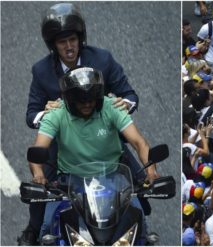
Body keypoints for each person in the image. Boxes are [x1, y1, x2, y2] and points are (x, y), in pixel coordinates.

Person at [21, 4, 142, 245]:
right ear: (53, 46)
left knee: (142, 196)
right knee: (42, 205)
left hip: (105, 140)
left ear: (80, 39)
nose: (69, 46)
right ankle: (33, 232)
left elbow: (130, 95)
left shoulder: (103, 60)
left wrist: (121, 105)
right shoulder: (42, 71)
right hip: (64, 145)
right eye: (62, 42)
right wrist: (46, 113)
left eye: (72, 39)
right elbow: (31, 114)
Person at [28, 67, 158, 244]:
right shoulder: (56, 113)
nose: (87, 104)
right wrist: (39, 175)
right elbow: (38, 149)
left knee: (139, 222)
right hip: (70, 184)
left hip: (114, 180)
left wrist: (151, 172)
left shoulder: (112, 106)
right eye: (81, 101)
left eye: (91, 99)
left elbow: (139, 143)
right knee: (47, 227)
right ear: (69, 100)